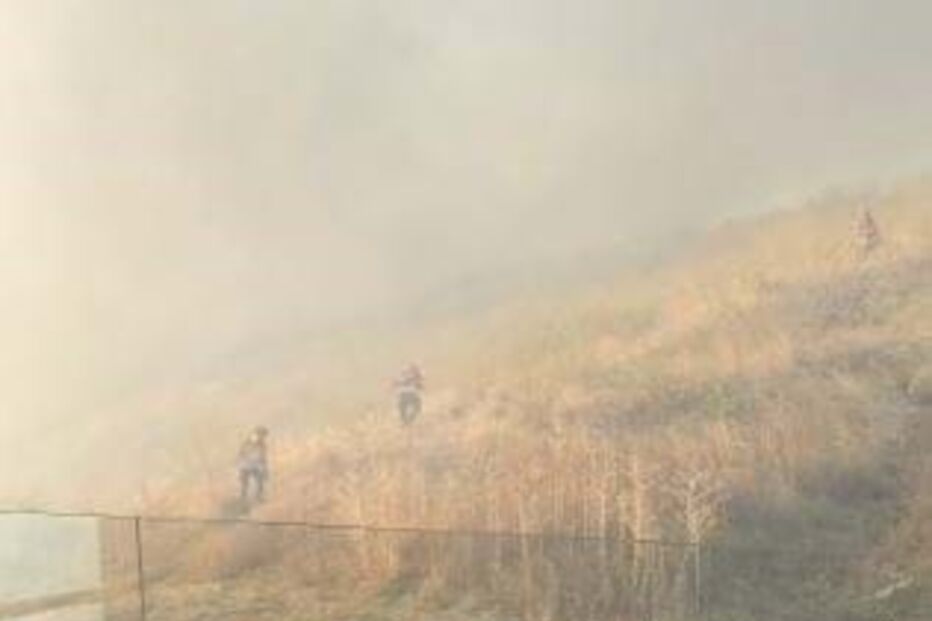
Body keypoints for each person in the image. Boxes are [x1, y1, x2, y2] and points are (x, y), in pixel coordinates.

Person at [237, 426, 269, 504]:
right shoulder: (249, 442)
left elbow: (262, 457)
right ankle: (243, 499)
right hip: (246, 465)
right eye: (262, 435)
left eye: (264, 436)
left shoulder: (261, 444)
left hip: (254, 465)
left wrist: (264, 468)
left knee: (259, 482)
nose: (263, 437)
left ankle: (257, 497)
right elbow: (241, 454)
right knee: (245, 484)